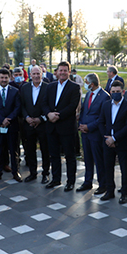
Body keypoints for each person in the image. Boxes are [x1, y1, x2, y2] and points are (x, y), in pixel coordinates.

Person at [42, 61, 81, 191]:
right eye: (61, 70)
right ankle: (55, 179)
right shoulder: (50, 86)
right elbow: (44, 103)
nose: (63, 73)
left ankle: (70, 181)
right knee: (54, 155)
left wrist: (57, 116)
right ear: (57, 72)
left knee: (70, 156)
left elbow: (72, 106)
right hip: (51, 126)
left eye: (65, 70)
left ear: (69, 72)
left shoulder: (74, 87)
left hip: (66, 127)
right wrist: (48, 114)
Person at [98, 81, 127, 202]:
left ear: (123, 92)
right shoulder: (106, 105)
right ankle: (109, 191)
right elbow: (100, 122)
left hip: (123, 142)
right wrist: (107, 138)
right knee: (108, 167)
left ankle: (124, 193)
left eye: (118, 91)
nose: (115, 93)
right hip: (107, 142)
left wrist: (114, 138)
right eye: (113, 92)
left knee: (125, 169)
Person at [0, 68, 22, 183]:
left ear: (10, 78)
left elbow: (17, 107)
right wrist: (1, 120)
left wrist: (8, 119)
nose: (3, 80)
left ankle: (15, 172)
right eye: (1, 77)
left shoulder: (15, 91)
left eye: (6, 78)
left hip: (12, 126)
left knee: (14, 151)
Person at [77, 73, 110, 193]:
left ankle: (102, 184)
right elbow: (84, 111)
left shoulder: (105, 96)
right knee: (87, 159)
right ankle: (87, 182)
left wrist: (89, 127)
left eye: (86, 82)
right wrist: (81, 124)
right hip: (85, 134)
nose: (85, 84)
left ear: (91, 84)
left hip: (95, 134)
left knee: (98, 160)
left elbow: (102, 117)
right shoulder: (88, 94)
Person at [20, 65, 51, 183]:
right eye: (34, 73)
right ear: (30, 75)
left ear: (42, 74)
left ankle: (45, 173)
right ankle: (32, 173)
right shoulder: (25, 88)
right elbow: (22, 105)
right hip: (29, 125)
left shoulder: (48, 87)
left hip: (43, 124)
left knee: (45, 150)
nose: (36, 76)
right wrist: (27, 117)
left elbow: (50, 105)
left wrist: (41, 119)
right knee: (30, 150)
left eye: (38, 73)